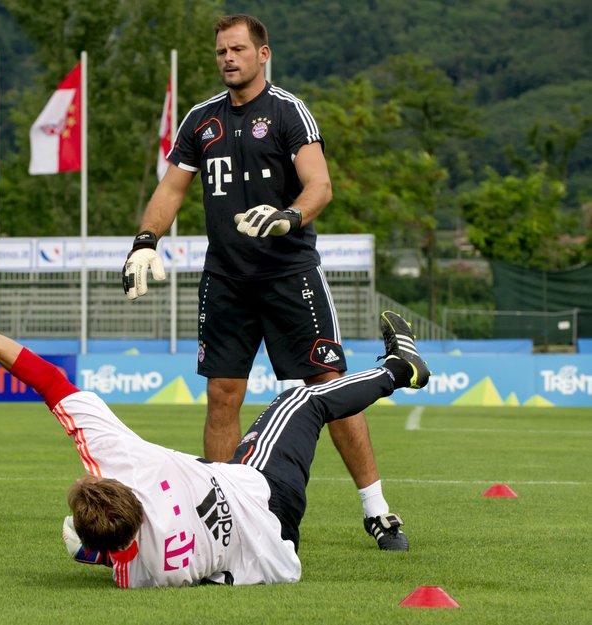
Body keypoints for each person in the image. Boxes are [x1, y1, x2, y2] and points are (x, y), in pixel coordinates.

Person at [0, 266, 430, 588]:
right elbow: (48, 379)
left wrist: (86, 547)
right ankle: (397, 370)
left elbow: (103, 551)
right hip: (267, 495)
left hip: (276, 556)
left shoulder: (137, 578)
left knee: (80, 536)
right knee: (299, 400)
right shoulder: (129, 461)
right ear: (113, 484)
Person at [122, 14, 408, 550]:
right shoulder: (200, 121)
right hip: (226, 280)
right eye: (220, 51)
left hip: (289, 275)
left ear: (263, 53)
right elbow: (172, 191)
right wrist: (144, 241)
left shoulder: (287, 111)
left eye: (237, 49)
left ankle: (378, 509)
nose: (228, 58)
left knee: (328, 387)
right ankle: (225, 517)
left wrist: (289, 217)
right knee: (222, 394)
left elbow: (319, 185)